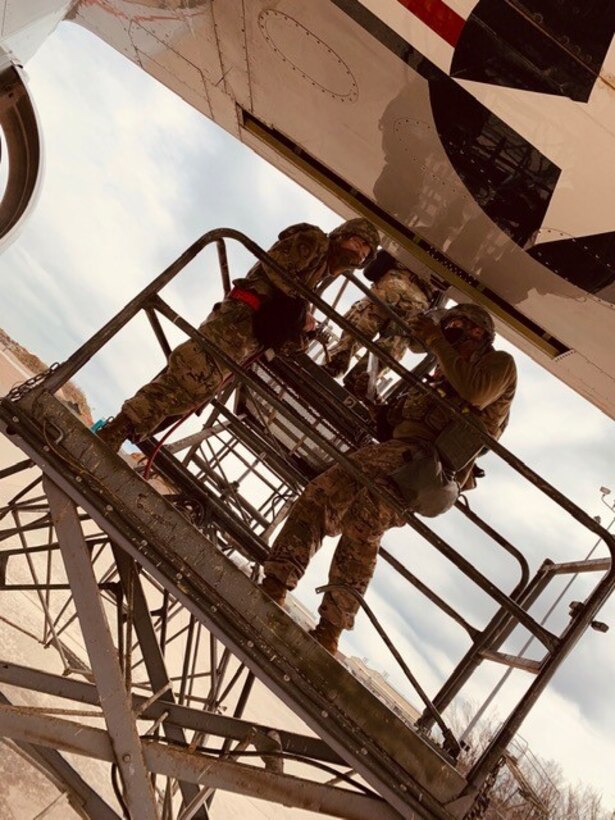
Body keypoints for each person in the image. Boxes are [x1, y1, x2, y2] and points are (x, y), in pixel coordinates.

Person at [261, 304, 517, 654]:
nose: (447, 333)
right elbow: (397, 423)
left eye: (455, 326)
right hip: (398, 450)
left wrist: (435, 340)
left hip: (427, 467)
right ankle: (277, 578)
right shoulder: (446, 369)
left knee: (365, 521)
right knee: (322, 493)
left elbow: (475, 393)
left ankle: (331, 628)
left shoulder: (499, 364)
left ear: (477, 332)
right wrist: (376, 404)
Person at [98, 218, 380, 452]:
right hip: (237, 322)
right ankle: (116, 430)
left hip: (247, 338)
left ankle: (125, 433)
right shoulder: (315, 242)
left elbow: (288, 315)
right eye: (358, 239)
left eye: (367, 249)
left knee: (193, 394)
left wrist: (301, 322)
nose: (361, 249)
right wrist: (299, 312)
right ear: (342, 234)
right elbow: (276, 269)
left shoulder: (317, 276)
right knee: (189, 376)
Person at [323, 250, 438, 398]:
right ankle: (336, 362)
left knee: (393, 344)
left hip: (418, 302)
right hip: (392, 282)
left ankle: (359, 381)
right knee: (360, 325)